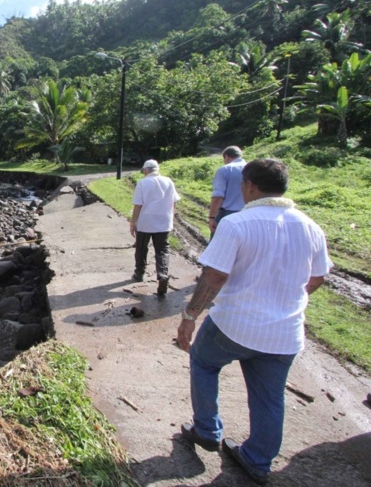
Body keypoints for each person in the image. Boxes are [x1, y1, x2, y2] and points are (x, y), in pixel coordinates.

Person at [176, 158, 332, 485]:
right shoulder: (310, 226)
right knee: (269, 397)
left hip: (234, 325)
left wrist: (190, 316)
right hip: (284, 334)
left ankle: (206, 430)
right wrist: (284, 298)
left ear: (249, 186)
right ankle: (258, 460)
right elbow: (317, 278)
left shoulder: (237, 224)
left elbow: (214, 277)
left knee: (203, 362)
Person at [130, 159, 180, 295]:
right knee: (162, 250)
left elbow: (138, 205)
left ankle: (139, 273)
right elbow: (173, 203)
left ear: (146, 170)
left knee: (141, 247)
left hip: (145, 221)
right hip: (163, 221)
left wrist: (133, 222)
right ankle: (163, 274)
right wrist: (171, 217)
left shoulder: (143, 183)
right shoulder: (168, 181)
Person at [209, 146, 246, 239]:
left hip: (228, 213)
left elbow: (218, 197)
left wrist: (212, 217)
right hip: (249, 213)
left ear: (227, 156)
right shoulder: (253, 169)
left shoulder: (225, 169)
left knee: (217, 246)